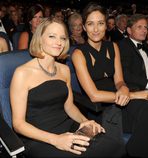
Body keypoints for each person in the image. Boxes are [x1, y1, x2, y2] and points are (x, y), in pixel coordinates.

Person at [10, 17, 125, 158]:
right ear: (39, 38)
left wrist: (85, 121)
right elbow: (18, 124)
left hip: (68, 128)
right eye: (52, 36)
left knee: (115, 147)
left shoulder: (64, 70)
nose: (58, 42)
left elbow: (69, 107)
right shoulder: (22, 73)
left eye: (63, 38)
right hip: (39, 138)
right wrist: (56, 139)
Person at [72, 3, 148, 158]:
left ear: (106, 25)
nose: (96, 29)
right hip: (100, 108)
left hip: (120, 100)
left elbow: (119, 80)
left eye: (100, 23)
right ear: (84, 27)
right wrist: (134, 94)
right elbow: (94, 95)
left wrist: (124, 87)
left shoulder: (113, 47)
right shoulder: (78, 54)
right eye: (91, 24)